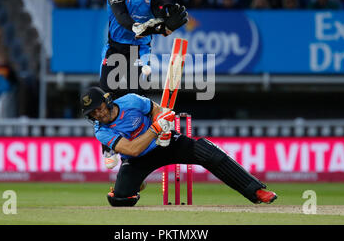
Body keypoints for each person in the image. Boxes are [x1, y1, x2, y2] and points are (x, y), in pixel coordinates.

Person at [81, 86, 278, 207]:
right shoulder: (101, 131)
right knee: (120, 199)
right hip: (138, 158)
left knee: (209, 153)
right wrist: (156, 130)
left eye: (98, 109)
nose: (98, 115)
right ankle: (137, 183)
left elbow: (158, 110)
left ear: (107, 101)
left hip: (167, 143)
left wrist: (164, 123)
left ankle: (256, 191)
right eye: (92, 113)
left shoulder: (131, 101)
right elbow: (133, 150)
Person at [99, 0, 188, 170]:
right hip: (115, 49)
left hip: (139, 53)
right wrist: (143, 27)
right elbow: (121, 16)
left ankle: (157, 135)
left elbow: (161, 12)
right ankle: (108, 147)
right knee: (107, 95)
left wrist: (166, 21)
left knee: (134, 102)